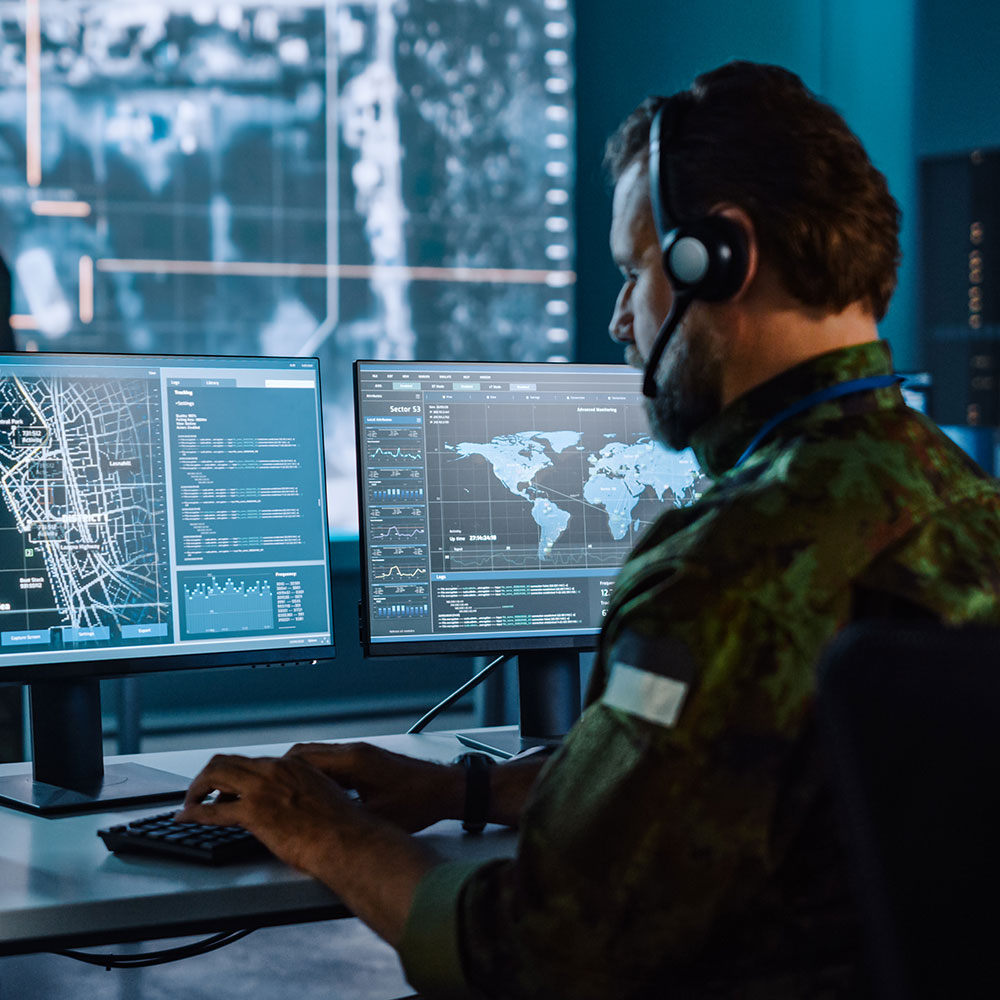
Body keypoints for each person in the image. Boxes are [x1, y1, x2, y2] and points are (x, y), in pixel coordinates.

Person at [180, 62, 1000, 998]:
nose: (620, 317)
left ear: (718, 256)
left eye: (632, 271)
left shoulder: (723, 571)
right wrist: (465, 791)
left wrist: (320, 826)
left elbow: (533, 955)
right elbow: (741, 769)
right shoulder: (967, 503)